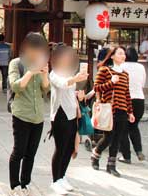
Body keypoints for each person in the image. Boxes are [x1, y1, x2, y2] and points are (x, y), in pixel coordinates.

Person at [8, 32, 50, 195]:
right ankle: (14, 185)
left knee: (31, 153)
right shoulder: (16, 63)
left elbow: (46, 89)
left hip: (38, 115)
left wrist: (45, 74)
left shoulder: (42, 64)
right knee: (19, 151)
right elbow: (15, 86)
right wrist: (31, 71)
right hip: (21, 114)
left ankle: (25, 183)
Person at [49, 44, 88, 195]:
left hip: (72, 114)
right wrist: (75, 79)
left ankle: (62, 176)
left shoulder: (69, 72)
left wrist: (79, 93)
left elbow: (70, 88)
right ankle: (55, 180)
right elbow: (63, 84)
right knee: (60, 148)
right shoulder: (54, 73)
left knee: (69, 148)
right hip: (60, 115)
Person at [91, 46, 134, 177]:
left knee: (117, 138)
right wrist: (111, 82)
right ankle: (96, 154)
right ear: (112, 56)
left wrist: (130, 112)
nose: (123, 56)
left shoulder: (126, 74)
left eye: (124, 54)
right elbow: (96, 87)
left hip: (122, 110)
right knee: (108, 137)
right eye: (120, 54)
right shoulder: (105, 70)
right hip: (109, 109)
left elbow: (127, 94)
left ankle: (111, 165)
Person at [119, 51, 147, 164]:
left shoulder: (122, 66)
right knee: (134, 127)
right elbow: (143, 84)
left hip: (125, 99)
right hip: (139, 99)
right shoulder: (141, 67)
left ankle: (126, 156)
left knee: (123, 129)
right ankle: (139, 150)